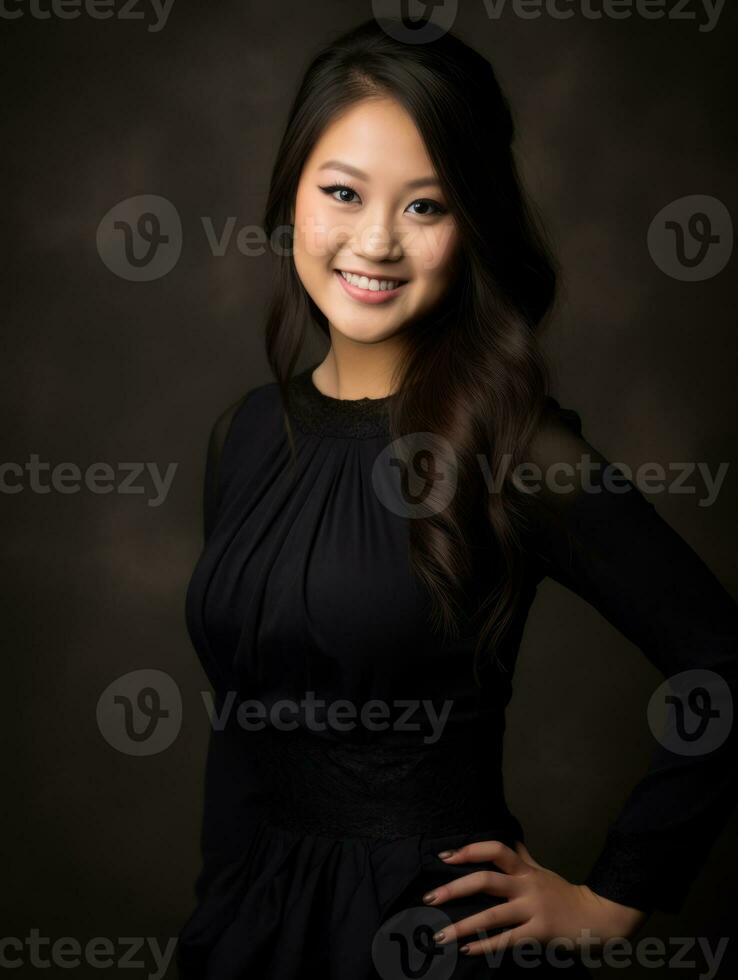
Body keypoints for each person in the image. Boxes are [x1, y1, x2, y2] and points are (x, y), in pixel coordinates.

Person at [176, 18, 738, 979]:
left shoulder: (518, 451)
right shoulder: (247, 435)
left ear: (472, 225)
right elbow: (242, 725)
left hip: (426, 939)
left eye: (427, 207)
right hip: (252, 929)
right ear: (291, 196)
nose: (376, 242)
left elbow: (723, 663)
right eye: (343, 193)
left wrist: (611, 900)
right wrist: (216, 924)